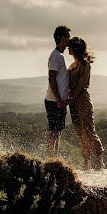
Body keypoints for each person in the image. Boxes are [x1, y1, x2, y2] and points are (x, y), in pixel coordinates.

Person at [68, 37, 105, 170]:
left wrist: (70, 98)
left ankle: (99, 159)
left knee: (88, 131)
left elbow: (81, 85)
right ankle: (86, 162)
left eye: (70, 46)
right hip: (73, 103)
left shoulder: (84, 65)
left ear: (75, 49)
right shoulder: (72, 65)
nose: (68, 48)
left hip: (82, 100)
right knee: (80, 132)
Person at [45, 25, 71, 155]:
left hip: (58, 100)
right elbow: (52, 79)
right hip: (54, 100)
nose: (69, 40)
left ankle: (54, 156)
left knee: (58, 131)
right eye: (68, 37)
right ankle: (51, 157)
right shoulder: (56, 56)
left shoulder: (59, 55)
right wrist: (59, 99)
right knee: (54, 131)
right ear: (61, 38)